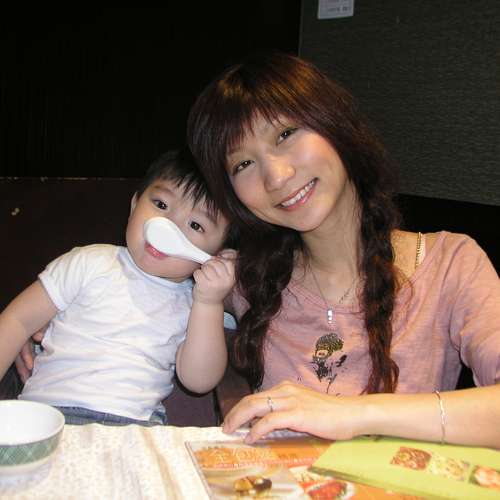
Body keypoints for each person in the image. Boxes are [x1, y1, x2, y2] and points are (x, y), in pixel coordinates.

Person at [186, 52, 500, 448]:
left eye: (285, 135)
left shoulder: (449, 264)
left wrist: (351, 414)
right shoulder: (247, 278)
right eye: (243, 164)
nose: (276, 177)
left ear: (335, 125)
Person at [0, 148, 236, 425]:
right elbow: (16, 321)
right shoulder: (89, 261)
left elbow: (199, 381)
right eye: (161, 205)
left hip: (135, 426)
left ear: (215, 255)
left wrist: (209, 303)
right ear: (135, 205)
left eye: (195, 225)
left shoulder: (196, 305)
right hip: (47, 416)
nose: (168, 225)